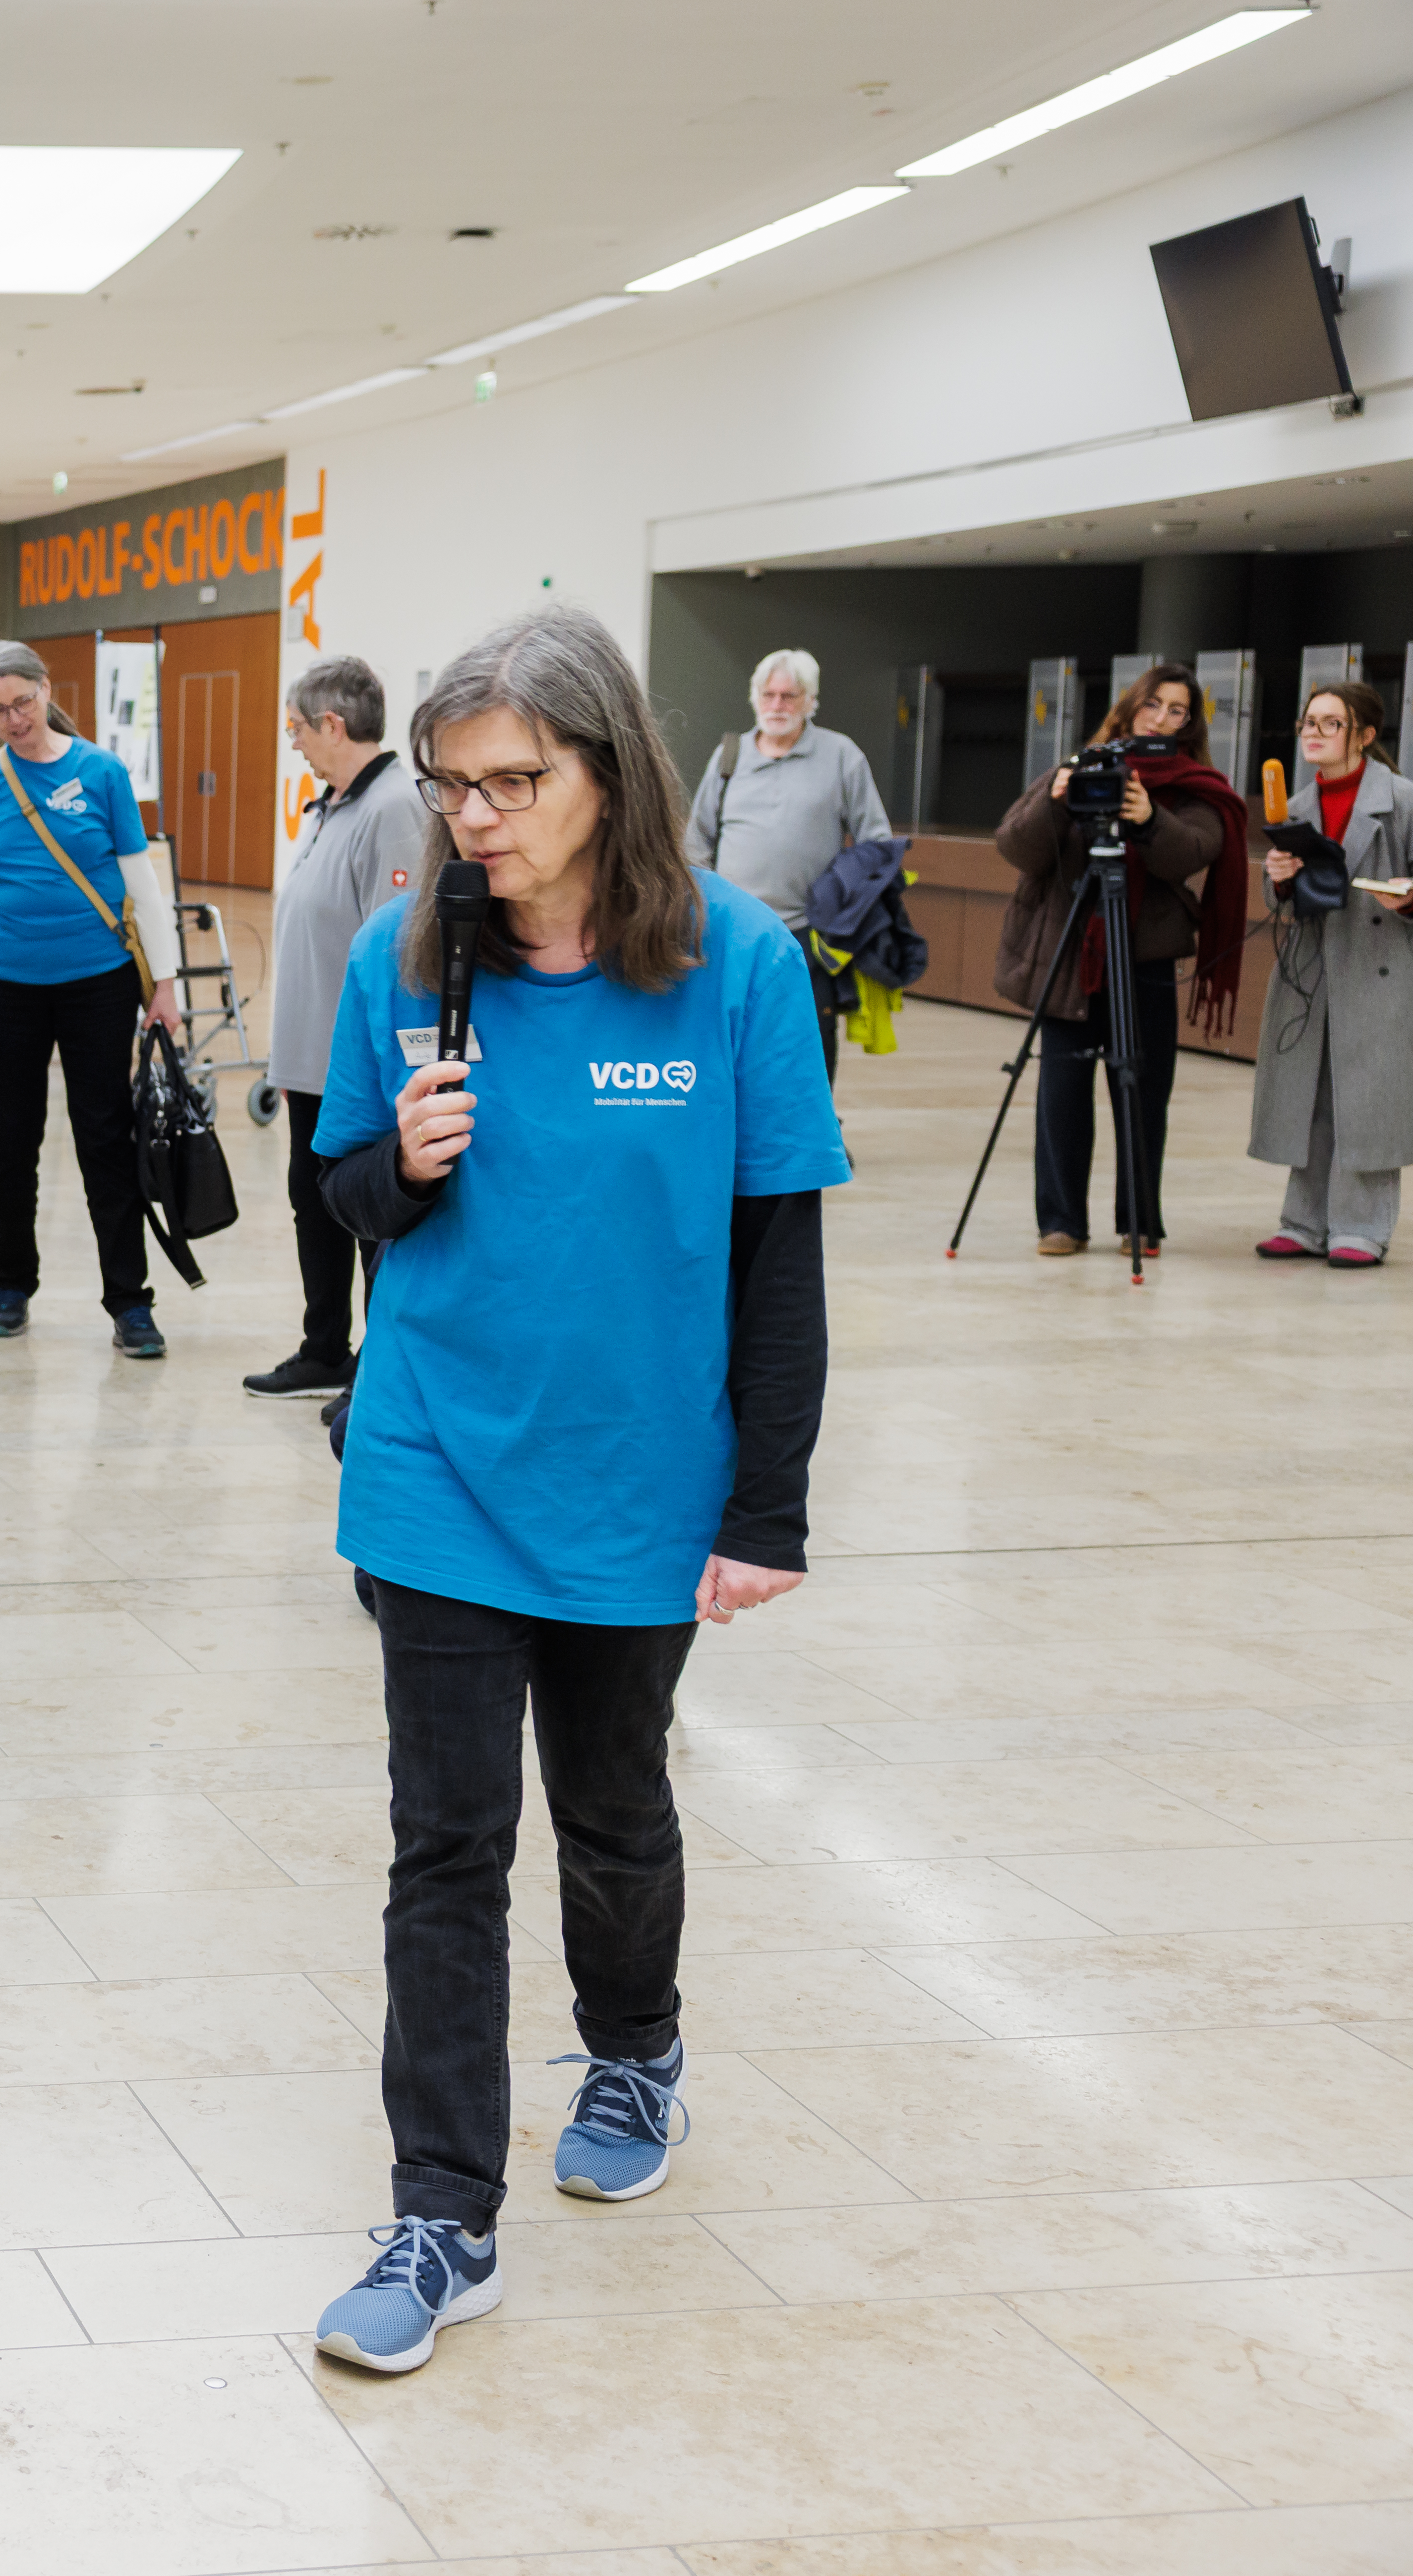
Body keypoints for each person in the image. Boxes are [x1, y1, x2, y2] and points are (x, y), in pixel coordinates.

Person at [303, 602, 845, 2376]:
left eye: (513, 782)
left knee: (610, 1808)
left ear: (609, 772)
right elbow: (350, 1201)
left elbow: (776, 1254)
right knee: (442, 1844)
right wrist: (406, 1156)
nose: (474, 816)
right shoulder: (411, 950)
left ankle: (635, 2043)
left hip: (635, 1474)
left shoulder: (741, 966)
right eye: (454, 786)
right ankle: (441, 2213)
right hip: (438, 1460)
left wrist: (765, 1505)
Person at [0, 640, 184, 1355]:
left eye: (22, 702)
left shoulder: (101, 773)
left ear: (46, 690)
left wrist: (164, 986)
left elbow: (142, 884)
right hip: (8, 985)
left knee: (105, 1138)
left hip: (98, 983)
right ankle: (10, 1286)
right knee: (9, 1145)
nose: (13, 719)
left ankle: (129, 1302)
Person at [991, 662, 1250, 1258]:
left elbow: (1191, 853)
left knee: (1142, 1092)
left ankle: (1140, 1221)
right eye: (1152, 704)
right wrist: (1059, 798)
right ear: (1130, 707)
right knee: (1060, 1090)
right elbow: (1016, 846)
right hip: (1069, 956)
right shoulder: (1081, 764)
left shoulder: (1195, 786)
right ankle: (1060, 1222)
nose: (1161, 718)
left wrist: (1149, 818)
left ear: (1190, 722)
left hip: (1143, 959)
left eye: (1176, 710)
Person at [250, 656, 414, 1401]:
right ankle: (325, 1349)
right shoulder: (334, 806)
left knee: (368, 1218)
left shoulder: (393, 810)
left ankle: (382, 1373)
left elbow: (398, 950)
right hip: (311, 1064)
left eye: (297, 728)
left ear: (333, 725)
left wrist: (375, 1066)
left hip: (357, 1067)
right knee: (312, 1204)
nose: (294, 743)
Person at [1250, 681, 1413, 1266]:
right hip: (1310, 967)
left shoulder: (1403, 800)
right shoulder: (1294, 808)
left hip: (1380, 970)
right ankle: (1303, 1220)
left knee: (1366, 1099)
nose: (1312, 734)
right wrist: (1278, 878)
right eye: (1307, 723)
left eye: (1329, 724)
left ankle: (1362, 1228)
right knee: (1306, 1092)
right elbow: (1286, 906)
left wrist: (1408, 899)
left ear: (1364, 736)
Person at [683, 649, 892, 1080]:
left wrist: (845, 906)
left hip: (810, 935)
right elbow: (696, 840)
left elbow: (877, 843)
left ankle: (815, 1136)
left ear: (810, 701)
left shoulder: (841, 755)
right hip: (732, 930)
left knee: (809, 1040)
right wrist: (707, 909)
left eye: (789, 696)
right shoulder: (729, 756)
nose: (777, 705)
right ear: (755, 697)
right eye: (769, 694)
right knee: (730, 1036)